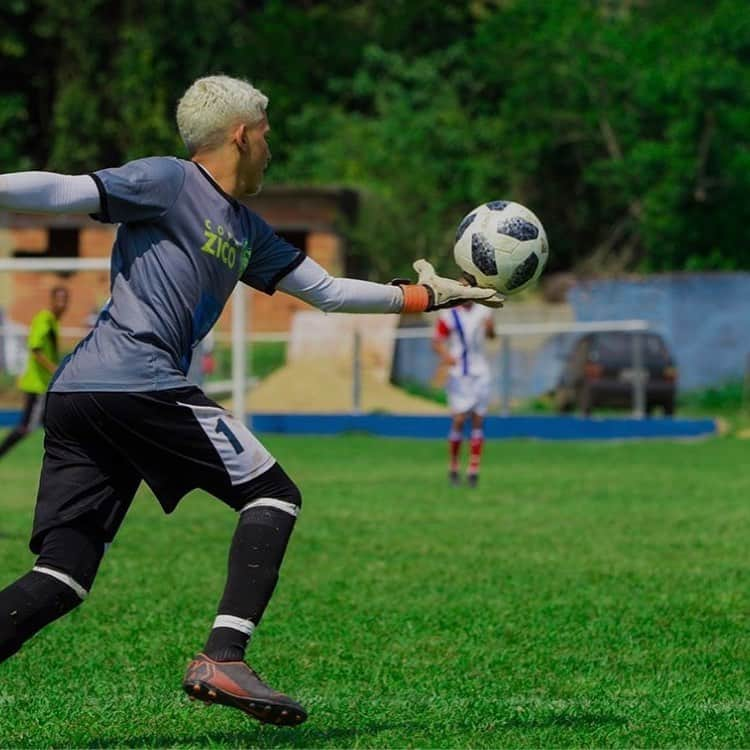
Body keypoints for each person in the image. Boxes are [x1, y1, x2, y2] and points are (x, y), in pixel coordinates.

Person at [0, 75, 502, 727]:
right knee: (274, 494)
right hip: (134, 381)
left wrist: (430, 295)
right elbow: (67, 192)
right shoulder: (170, 181)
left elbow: (328, 291)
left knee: (62, 577)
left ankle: (220, 655)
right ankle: (224, 655)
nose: (272, 150)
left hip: (84, 395)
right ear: (241, 135)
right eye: (267, 137)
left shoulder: (246, 229)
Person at [0, 286, 69, 459]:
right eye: (59, 299)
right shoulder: (44, 319)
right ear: (52, 300)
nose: (62, 303)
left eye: (65, 299)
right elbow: (35, 348)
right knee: (26, 428)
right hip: (37, 384)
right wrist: (54, 369)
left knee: (54, 424)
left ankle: (62, 460)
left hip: (44, 384)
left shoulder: (52, 321)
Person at [432, 300, 496, 487]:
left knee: (478, 419)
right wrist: (447, 357)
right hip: (459, 374)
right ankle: (453, 466)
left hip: (481, 372)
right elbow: (437, 342)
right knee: (459, 420)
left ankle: (473, 470)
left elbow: (492, 336)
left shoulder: (484, 310)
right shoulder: (449, 314)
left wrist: (491, 328)